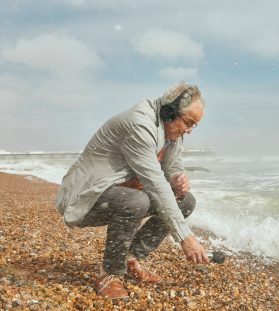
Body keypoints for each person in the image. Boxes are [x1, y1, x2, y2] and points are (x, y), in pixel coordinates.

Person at [55, 81, 209, 299]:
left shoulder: (173, 130)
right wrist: (185, 237)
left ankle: (130, 258)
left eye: (195, 125)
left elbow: (172, 167)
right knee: (136, 200)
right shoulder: (140, 124)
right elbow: (155, 183)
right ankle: (109, 274)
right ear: (169, 112)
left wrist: (177, 178)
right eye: (189, 122)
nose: (190, 130)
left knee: (185, 201)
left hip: (119, 192)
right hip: (84, 196)